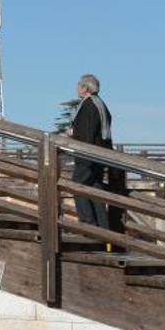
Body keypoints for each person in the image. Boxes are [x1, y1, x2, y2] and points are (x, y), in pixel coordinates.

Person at [67, 75, 123, 241]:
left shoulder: (89, 105)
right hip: (99, 155)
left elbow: (87, 133)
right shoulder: (100, 104)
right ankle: (103, 228)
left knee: (77, 185)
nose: (77, 86)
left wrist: (72, 134)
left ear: (86, 88)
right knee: (95, 189)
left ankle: (88, 223)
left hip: (88, 155)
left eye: (79, 84)